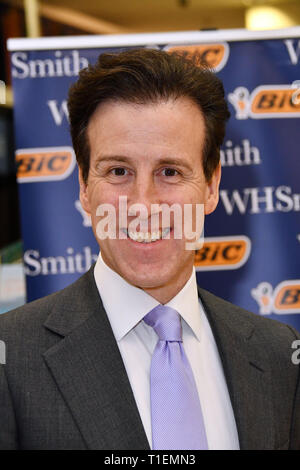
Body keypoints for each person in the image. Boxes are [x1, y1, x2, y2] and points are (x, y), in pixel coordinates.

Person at [0, 49, 299, 450]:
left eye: (170, 172)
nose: (142, 205)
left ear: (211, 187)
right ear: (84, 188)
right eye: (119, 171)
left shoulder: (279, 356)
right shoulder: (12, 359)